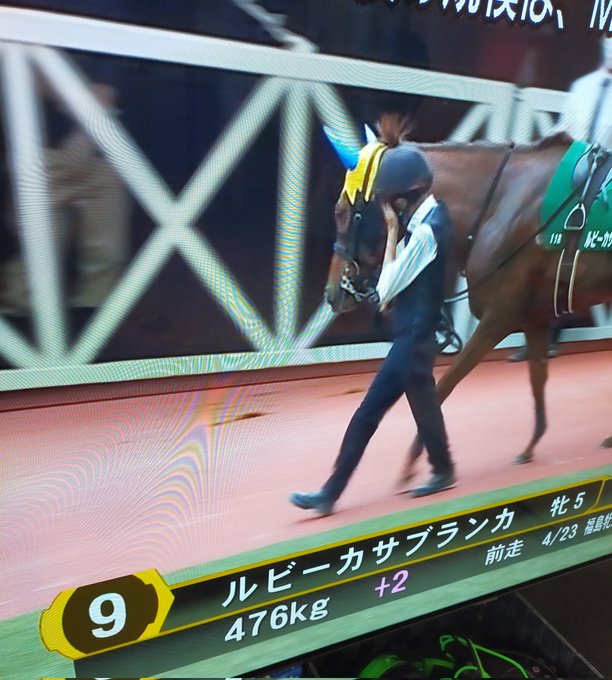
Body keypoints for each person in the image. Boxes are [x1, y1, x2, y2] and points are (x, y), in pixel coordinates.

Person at [289, 142, 456, 515]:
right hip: (416, 337)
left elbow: (386, 288)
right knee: (420, 407)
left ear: (402, 200)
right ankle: (442, 467)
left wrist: (393, 232)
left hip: (412, 339)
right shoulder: (435, 217)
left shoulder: (426, 232)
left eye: (387, 202)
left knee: (371, 412)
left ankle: (330, 493)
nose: (386, 208)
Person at [508, 35, 612, 362]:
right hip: (571, 172)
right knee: (545, 250)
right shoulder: (583, 86)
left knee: (580, 256)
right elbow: (564, 127)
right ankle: (538, 334)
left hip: (607, 178)